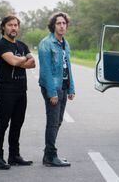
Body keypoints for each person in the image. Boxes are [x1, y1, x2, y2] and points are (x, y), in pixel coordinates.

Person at [0, 15, 35, 170]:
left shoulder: (22, 45)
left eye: (16, 25)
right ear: (3, 27)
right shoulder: (1, 45)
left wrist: (18, 60)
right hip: (6, 90)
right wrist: (20, 60)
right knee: (3, 124)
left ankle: (14, 156)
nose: (13, 28)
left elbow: (33, 63)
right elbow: (14, 61)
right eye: (10, 25)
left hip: (21, 90)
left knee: (17, 124)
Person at [38, 12, 75, 167]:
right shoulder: (46, 43)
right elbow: (45, 70)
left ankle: (48, 155)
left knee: (58, 121)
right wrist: (52, 92)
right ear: (53, 25)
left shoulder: (65, 43)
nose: (61, 26)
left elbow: (68, 66)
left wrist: (71, 87)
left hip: (64, 86)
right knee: (53, 122)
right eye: (58, 23)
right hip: (52, 87)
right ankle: (51, 156)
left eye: (64, 23)